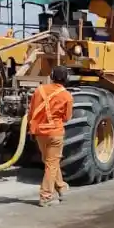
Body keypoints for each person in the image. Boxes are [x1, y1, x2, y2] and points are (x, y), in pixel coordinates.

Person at [27, 65, 73, 206]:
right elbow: (67, 118)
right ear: (66, 79)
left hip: (40, 132)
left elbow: (31, 112)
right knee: (52, 164)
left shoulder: (39, 90)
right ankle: (46, 196)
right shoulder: (67, 96)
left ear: (52, 76)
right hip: (55, 134)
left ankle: (61, 187)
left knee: (50, 162)